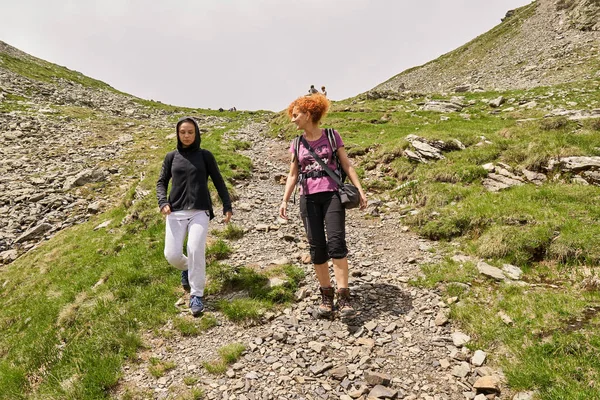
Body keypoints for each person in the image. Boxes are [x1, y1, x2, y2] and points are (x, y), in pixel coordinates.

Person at [279, 93, 367, 319]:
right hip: (307, 198)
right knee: (317, 248)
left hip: (332, 196)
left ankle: (344, 297)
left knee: (337, 244)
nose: (293, 120)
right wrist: (284, 200)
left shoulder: (331, 135)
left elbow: (347, 165)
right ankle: (326, 297)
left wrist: (360, 189)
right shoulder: (296, 143)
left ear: (308, 114)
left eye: (296, 115)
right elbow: (292, 174)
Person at [157, 117, 233, 317]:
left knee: (194, 249)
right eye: (183, 132)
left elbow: (219, 181)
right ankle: (186, 268)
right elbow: (161, 182)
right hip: (175, 212)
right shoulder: (171, 157)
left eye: (190, 132)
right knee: (172, 255)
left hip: (200, 211)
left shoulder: (205, 156)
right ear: (178, 134)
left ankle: (196, 294)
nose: (187, 135)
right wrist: (162, 202)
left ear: (196, 133)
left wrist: (227, 205)